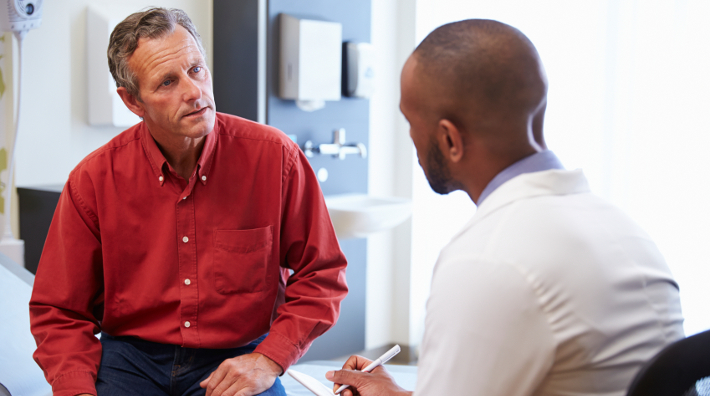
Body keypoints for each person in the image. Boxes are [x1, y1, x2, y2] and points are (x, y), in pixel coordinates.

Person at [327, 19, 684, 396]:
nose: (411, 138)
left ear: (450, 139)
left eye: (410, 121)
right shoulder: (623, 231)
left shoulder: (488, 259)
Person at [29, 8, 348, 396]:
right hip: (130, 361)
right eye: (167, 82)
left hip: (237, 355)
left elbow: (323, 275)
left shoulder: (276, 158)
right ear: (133, 102)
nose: (194, 91)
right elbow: (59, 311)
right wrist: (76, 389)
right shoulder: (93, 180)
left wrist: (269, 359)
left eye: (196, 69)